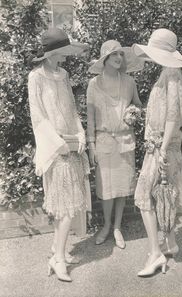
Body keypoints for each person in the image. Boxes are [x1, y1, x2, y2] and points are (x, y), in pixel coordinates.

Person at [28, 28, 91, 282]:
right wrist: (58, 143)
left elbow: (71, 109)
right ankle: (58, 260)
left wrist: (81, 133)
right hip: (56, 149)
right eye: (63, 51)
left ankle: (57, 248)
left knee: (69, 206)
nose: (67, 55)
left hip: (72, 146)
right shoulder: (36, 77)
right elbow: (38, 116)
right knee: (64, 209)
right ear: (53, 53)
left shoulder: (63, 74)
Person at [133, 28, 182, 277]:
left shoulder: (171, 73)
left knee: (145, 196)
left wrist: (163, 149)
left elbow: (172, 117)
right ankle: (171, 243)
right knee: (163, 194)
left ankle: (156, 253)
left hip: (162, 146)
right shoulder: (168, 72)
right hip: (161, 145)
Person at [87, 40, 144, 249]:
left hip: (125, 141)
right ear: (105, 59)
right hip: (103, 142)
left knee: (122, 187)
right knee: (106, 188)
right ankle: (106, 226)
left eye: (121, 54)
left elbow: (138, 106)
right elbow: (90, 118)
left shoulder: (129, 82)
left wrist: (134, 114)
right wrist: (91, 145)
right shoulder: (94, 84)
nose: (119, 58)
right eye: (114, 55)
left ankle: (118, 227)